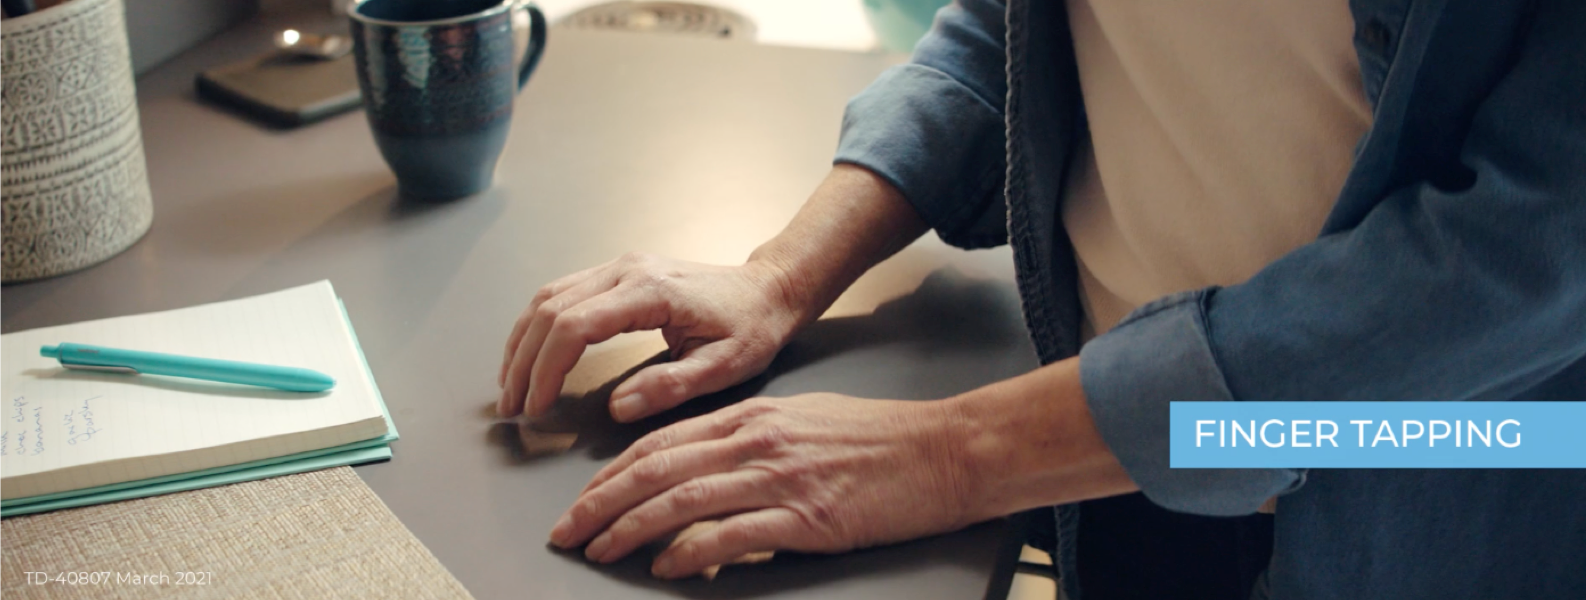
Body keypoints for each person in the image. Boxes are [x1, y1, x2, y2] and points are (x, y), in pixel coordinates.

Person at [496, 0, 1586, 598]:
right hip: (1108, 467)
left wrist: (950, 454)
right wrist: (781, 272)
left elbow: (1519, 259)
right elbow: (1023, 31)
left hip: (1431, 512)